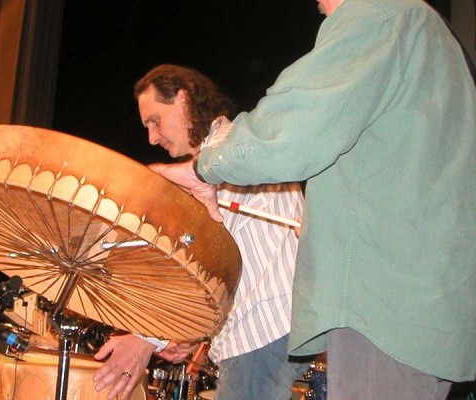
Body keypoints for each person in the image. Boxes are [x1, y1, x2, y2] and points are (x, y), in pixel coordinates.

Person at [144, 0, 476, 399]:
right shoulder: (426, 30)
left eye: (153, 122)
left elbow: (291, 131)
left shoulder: (378, 13)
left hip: (381, 306)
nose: (320, 8)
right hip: (421, 307)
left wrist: (204, 169)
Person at [93, 65, 307, 400]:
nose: (152, 137)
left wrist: (147, 339)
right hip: (267, 327)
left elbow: (198, 264)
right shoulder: (226, 153)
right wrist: (187, 335)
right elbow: (225, 267)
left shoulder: (225, 147)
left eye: (155, 121)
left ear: (182, 99)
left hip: (262, 328)